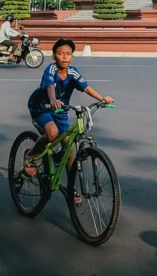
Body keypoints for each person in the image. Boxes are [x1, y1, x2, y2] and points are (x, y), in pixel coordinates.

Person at [23, 38, 113, 179]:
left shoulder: (73, 72)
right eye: (60, 54)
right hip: (41, 106)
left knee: (69, 150)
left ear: (72, 57)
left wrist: (102, 99)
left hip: (61, 110)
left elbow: (86, 88)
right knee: (52, 133)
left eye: (68, 54)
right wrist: (53, 100)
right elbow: (50, 86)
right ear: (54, 56)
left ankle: (72, 189)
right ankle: (31, 155)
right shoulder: (51, 69)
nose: (64, 57)